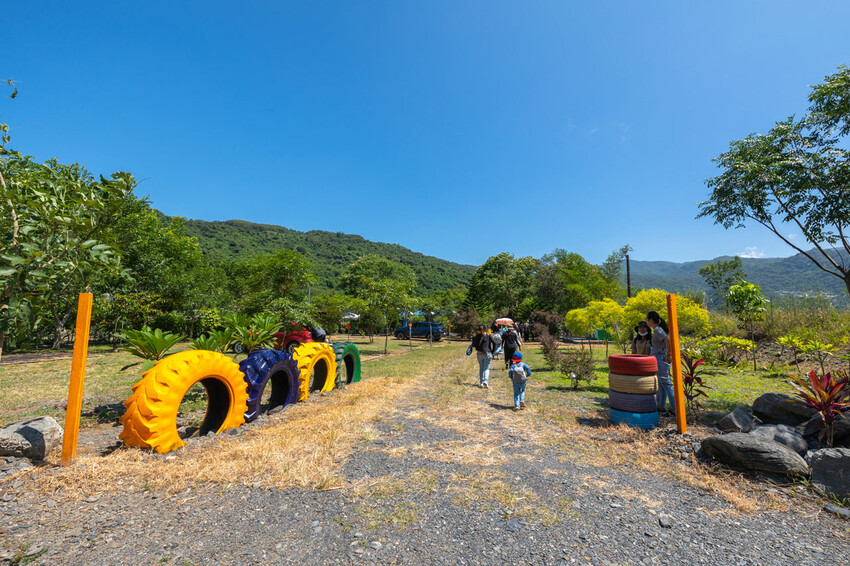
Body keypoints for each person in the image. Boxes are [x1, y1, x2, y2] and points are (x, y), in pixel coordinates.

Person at [646, 311, 674, 416]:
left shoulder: (657, 330)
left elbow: (668, 339)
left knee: (667, 384)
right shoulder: (657, 330)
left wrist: (669, 354)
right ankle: (661, 406)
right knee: (662, 384)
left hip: (660, 358)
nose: (646, 321)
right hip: (658, 357)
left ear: (651, 320)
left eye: (647, 318)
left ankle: (674, 408)